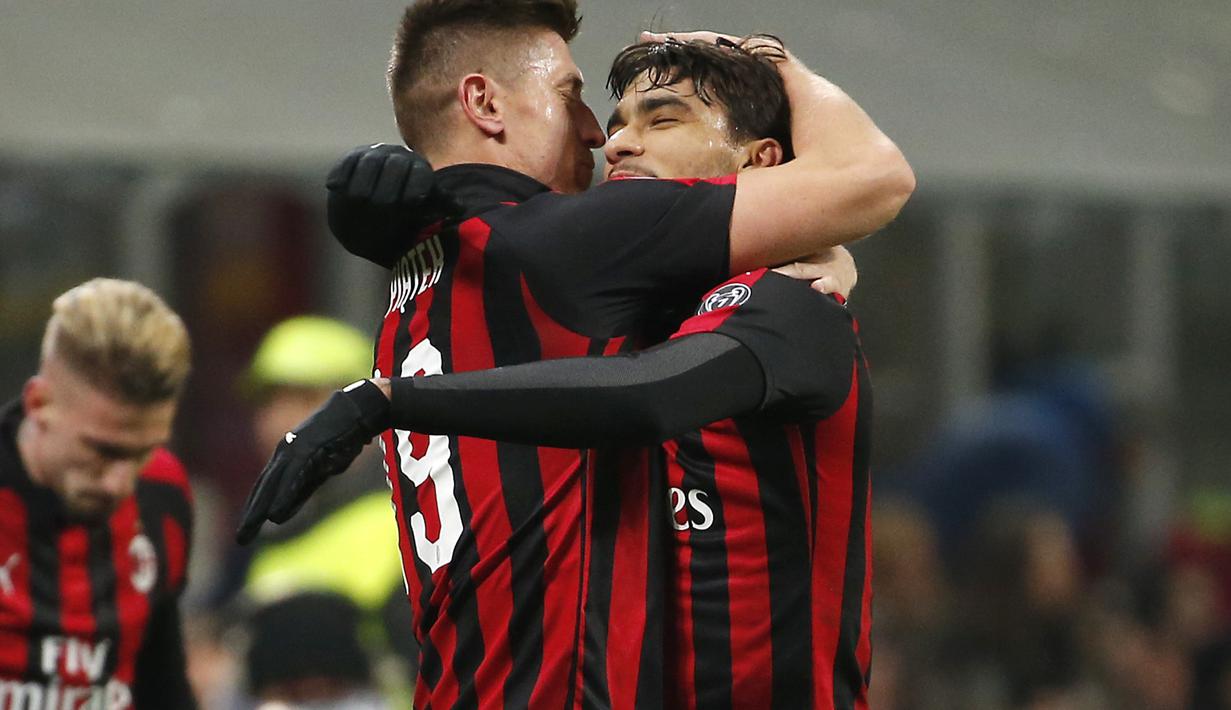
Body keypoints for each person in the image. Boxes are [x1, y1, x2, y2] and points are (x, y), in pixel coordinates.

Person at [239, 2, 912, 708]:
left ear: (761, 162)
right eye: (577, 100)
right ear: (484, 102)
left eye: (659, 119)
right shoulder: (585, 246)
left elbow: (643, 385)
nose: (605, 139)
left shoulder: (422, 279)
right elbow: (872, 179)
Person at [0, 277, 196, 708]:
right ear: (38, 405)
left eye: (144, 450)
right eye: (101, 450)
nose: (120, 483)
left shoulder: (163, 492)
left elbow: (162, 686)